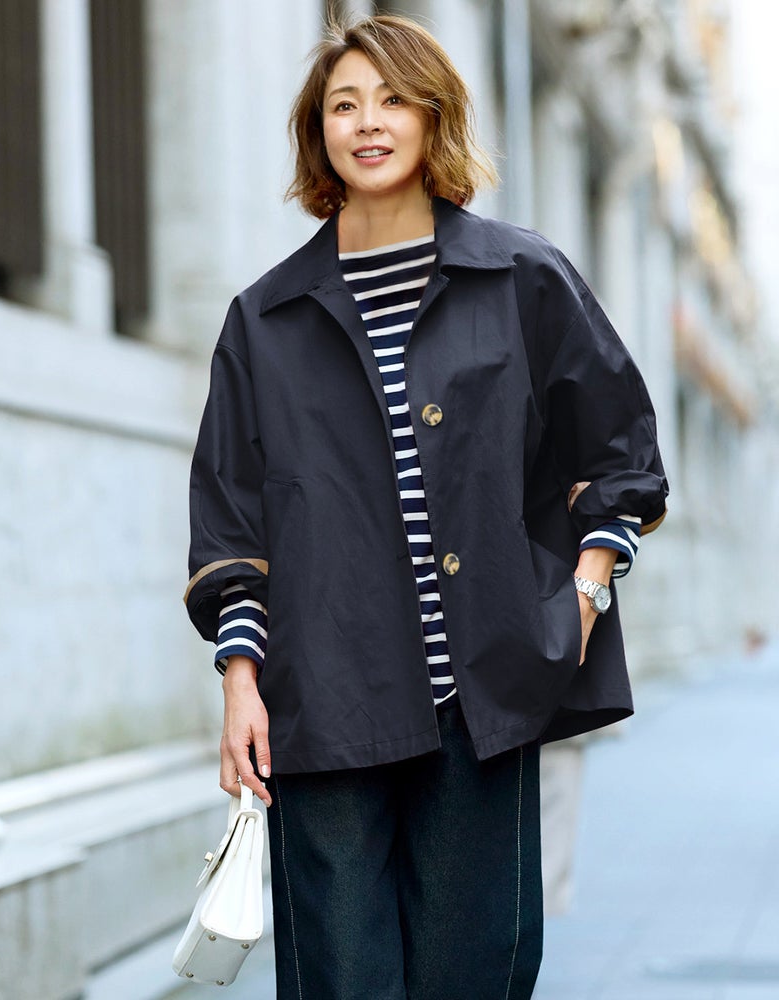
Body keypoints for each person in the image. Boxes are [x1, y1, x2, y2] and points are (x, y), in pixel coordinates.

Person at [184, 13, 668, 1000]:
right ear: (317, 131)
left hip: (478, 702)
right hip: (322, 706)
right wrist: (240, 682)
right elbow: (230, 519)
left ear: (433, 117)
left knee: (471, 975)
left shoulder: (521, 277)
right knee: (341, 981)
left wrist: (581, 595)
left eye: (393, 99)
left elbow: (620, 447)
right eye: (343, 105)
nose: (368, 122)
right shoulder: (264, 320)